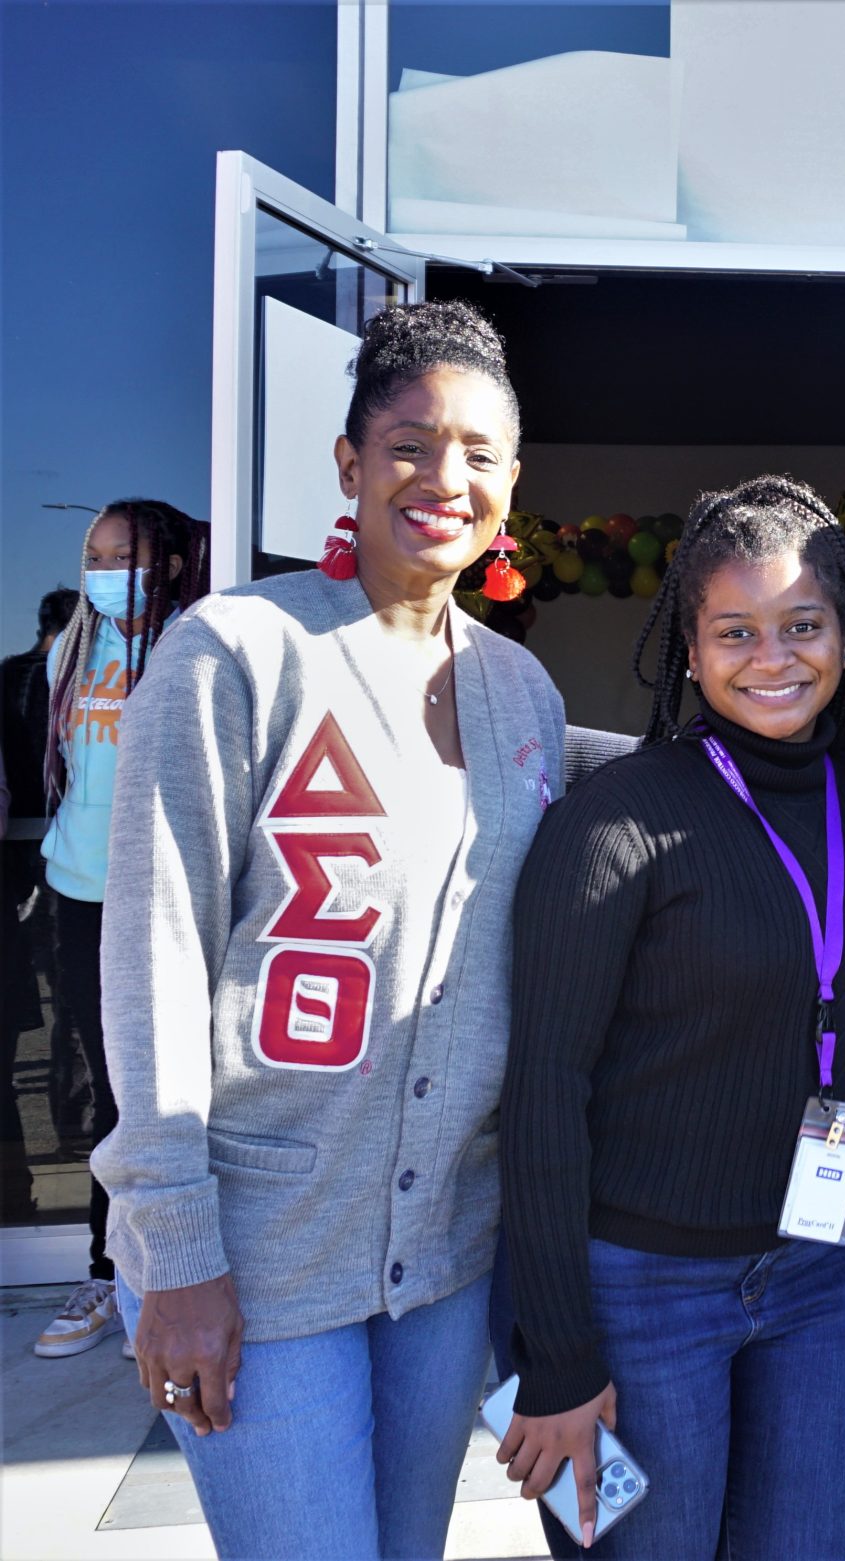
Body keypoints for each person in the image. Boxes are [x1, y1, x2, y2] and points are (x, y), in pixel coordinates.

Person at [94, 299, 564, 1560]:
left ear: (510, 487)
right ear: (350, 463)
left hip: (441, 1262)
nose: (443, 478)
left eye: (478, 454)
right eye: (410, 443)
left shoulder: (522, 692)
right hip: (253, 1252)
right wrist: (177, 1249)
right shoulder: (235, 652)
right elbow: (154, 954)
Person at [497, 475, 845, 1557]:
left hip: (815, 1270)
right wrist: (553, 1355)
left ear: (844, 633)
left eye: (801, 625)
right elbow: (542, 1091)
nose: (771, 656)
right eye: (733, 630)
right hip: (637, 1291)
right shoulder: (615, 820)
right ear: (689, 649)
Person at [29, 506, 214, 1358]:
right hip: (76, 891)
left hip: (156, 901)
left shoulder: (192, 646)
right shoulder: (74, 648)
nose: (104, 573)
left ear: (169, 565)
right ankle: (107, 1271)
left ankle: (161, 1267)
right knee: (106, 1093)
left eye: (123, 556)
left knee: (155, 1093)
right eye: (93, 557)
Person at [3, 586, 80, 1224]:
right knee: (73, 1006)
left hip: (30, 867)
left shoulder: (10, 677)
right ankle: (70, 1125)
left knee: (61, 1006)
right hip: (53, 863)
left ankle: (62, 1129)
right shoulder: (52, 682)